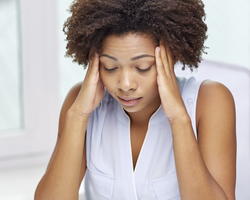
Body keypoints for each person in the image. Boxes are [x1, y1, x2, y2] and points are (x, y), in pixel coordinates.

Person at [35, 0, 236, 199]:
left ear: (172, 55)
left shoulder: (209, 102)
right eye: (110, 67)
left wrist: (178, 119)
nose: (125, 84)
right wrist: (78, 116)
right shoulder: (80, 104)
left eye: (142, 67)